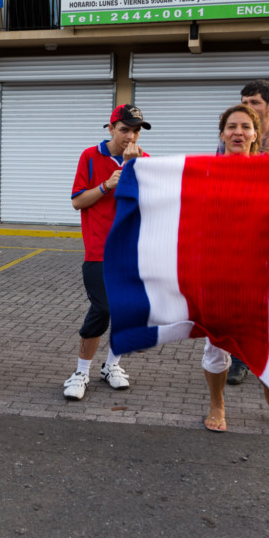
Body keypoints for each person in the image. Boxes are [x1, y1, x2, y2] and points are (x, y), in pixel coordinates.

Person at [202, 104, 269, 433]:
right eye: (231, 126)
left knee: (265, 342)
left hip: (261, 272)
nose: (238, 132)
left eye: (245, 126)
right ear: (222, 133)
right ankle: (217, 402)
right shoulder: (205, 171)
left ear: (256, 134)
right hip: (218, 271)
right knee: (216, 344)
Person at [63, 104, 149, 401]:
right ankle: (81, 371)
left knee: (125, 311)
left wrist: (132, 169)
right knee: (103, 307)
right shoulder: (90, 156)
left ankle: (111, 366)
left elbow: (148, 205)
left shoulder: (144, 160)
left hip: (131, 250)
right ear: (111, 128)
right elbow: (77, 202)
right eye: (124, 129)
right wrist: (106, 184)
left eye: (135, 130)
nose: (130, 136)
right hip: (99, 250)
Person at [217, 79, 269, 159]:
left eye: (254, 102)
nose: (248, 108)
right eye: (245, 103)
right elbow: (219, 168)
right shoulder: (230, 135)